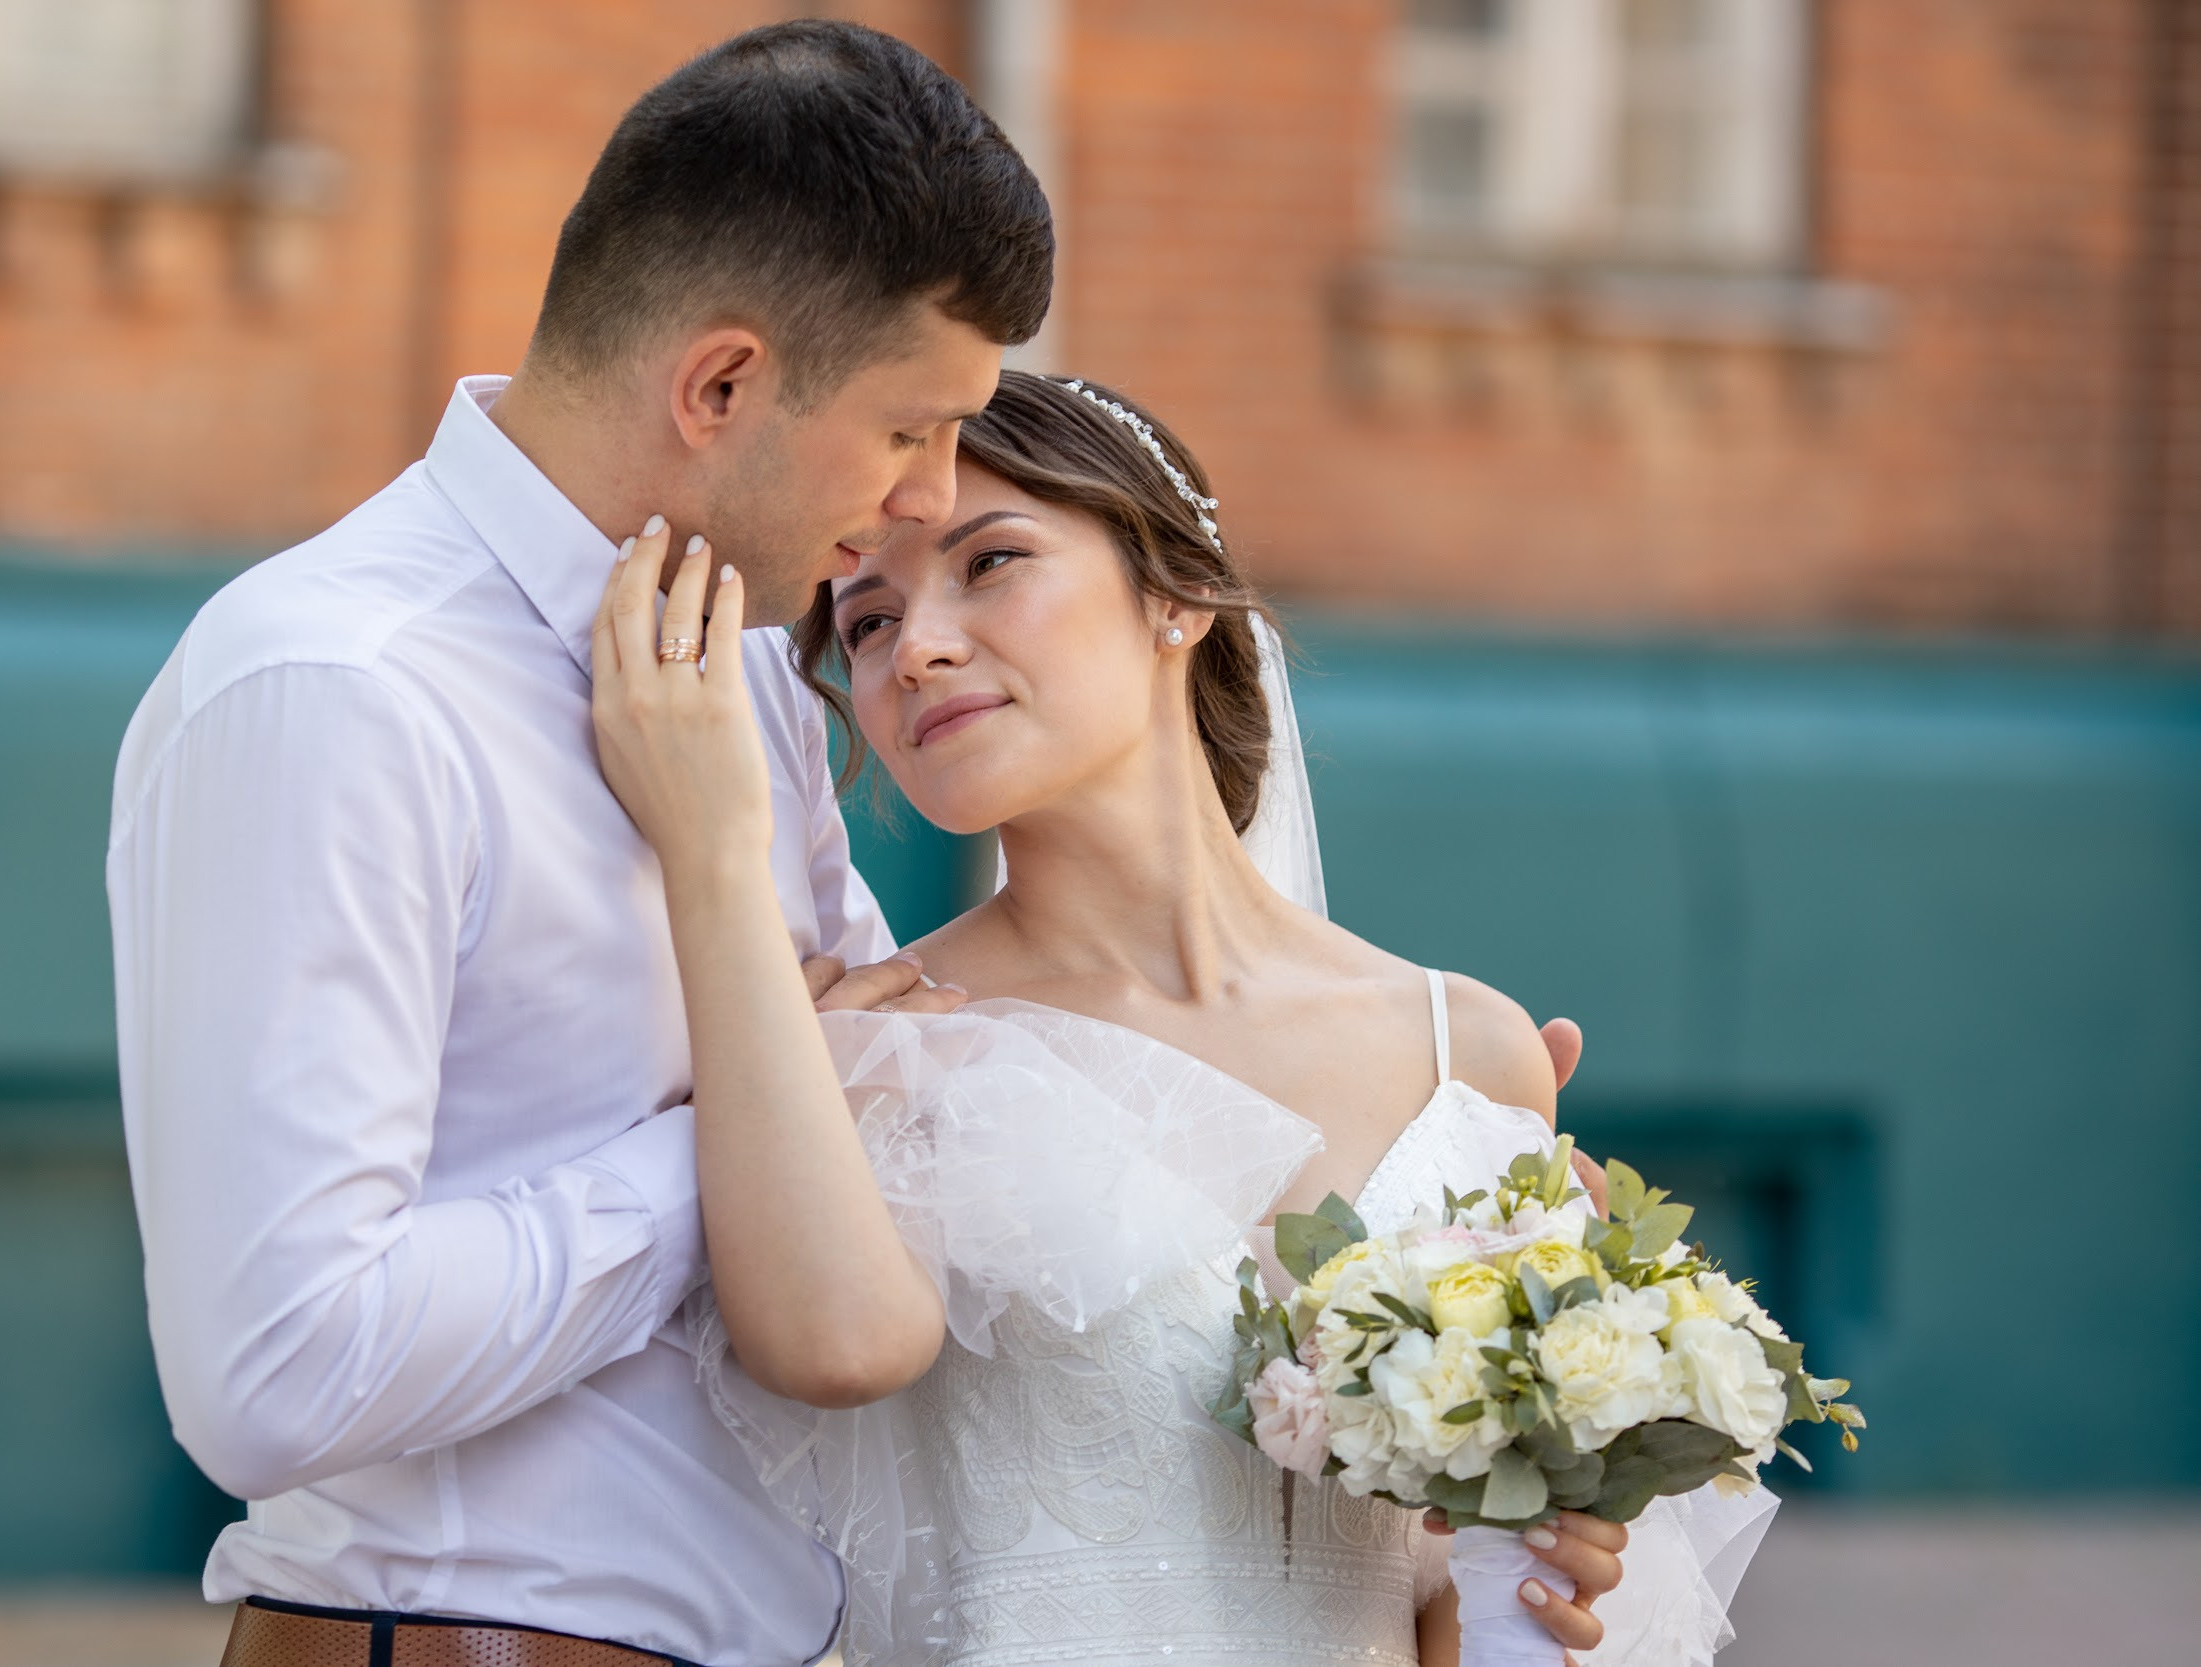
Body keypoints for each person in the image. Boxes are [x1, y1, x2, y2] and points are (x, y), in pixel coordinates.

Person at [107, 23, 1047, 1667]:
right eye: (912, 427)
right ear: (723, 385)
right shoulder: (336, 689)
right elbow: (274, 1373)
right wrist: (721, 1151)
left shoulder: (751, 662)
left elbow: (866, 1129)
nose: (928, 496)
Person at [589, 371, 1776, 1666]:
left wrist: (1532, 1563)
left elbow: (1418, 1607)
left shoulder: (1472, 1053)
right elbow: (820, 1360)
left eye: (989, 563)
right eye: (867, 622)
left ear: (1175, 594)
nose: (916, 645)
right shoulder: (871, 1052)